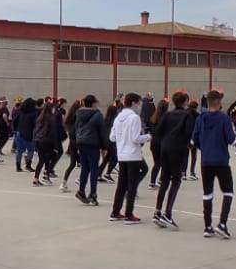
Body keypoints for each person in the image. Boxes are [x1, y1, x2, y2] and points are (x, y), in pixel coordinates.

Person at [193, 90, 236, 238]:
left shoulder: (201, 118)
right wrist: (235, 137)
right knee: (228, 191)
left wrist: (204, 148)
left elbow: (194, 140)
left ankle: (207, 226)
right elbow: (231, 139)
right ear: (219, 103)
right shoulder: (224, 119)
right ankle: (222, 223)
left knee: (207, 193)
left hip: (206, 160)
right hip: (221, 159)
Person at [152, 92, 195, 229]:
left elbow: (158, 130)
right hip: (177, 148)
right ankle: (168, 213)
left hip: (165, 146)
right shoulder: (187, 115)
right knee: (176, 179)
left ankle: (157, 211)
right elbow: (189, 133)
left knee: (164, 179)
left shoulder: (167, 114)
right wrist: (189, 143)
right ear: (185, 102)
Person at [108, 93, 151, 223]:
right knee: (131, 185)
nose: (139, 106)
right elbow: (135, 138)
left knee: (121, 184)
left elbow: (112, 137)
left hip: (122, 154)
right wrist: (148, 137)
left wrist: (122, 140)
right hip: (133, 154)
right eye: (139, 103)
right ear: (133, 103)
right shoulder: (134, 118)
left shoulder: (118, 117)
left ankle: (115, 212)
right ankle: (129, 214)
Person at [73, 95, 108, 206]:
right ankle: (93, 194)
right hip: (93, 143)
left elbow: (76, 128)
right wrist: (104, 147)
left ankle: (81, 190)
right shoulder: (97, 115)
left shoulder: (79, 114)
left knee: (85, 168)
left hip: (81, 142)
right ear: (93, 103)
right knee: (94, 169)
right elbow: (102, 132)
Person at [13, 98, 39, 173]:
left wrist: (15, 129)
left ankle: (18, 166)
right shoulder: (33, 114)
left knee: (19, 150)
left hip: (19, 133)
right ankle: (28, 165)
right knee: (31, 150)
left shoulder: (20, 112)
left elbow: (15, 121)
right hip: (28, 134)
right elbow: (35, 124)